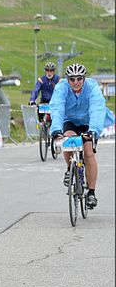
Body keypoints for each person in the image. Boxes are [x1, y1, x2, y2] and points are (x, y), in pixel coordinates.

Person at [50, 63, 114, 210]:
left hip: (88, 122)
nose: (76, 82)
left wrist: (94, 131)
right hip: (70, 120)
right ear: (67, 79)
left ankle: (91, 192)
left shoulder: (92, 87)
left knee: (88, 152)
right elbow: (57, 107)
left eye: (79, 78)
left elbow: (97, 108)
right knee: (67, 140)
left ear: (84, 79)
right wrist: (56, 130)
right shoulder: (61, 88)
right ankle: (69, 168)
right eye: (72, 79)